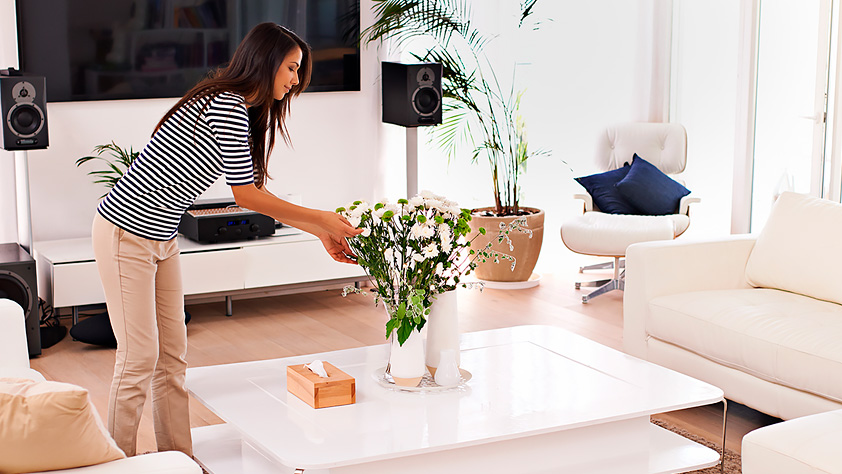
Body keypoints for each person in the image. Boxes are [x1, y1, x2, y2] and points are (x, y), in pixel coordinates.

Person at [91, 22, 361, 457]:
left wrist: (320, 232)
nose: (294, 80)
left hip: (161, 236)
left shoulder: (242, 107)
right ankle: (112, 461)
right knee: (139, 357)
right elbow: (247, 196)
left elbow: (255, 195)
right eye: (291, 68)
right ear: (267, 60)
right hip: (125, 232)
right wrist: (324, 221)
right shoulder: (226, 103)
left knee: (172, 359)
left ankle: (178, 458)